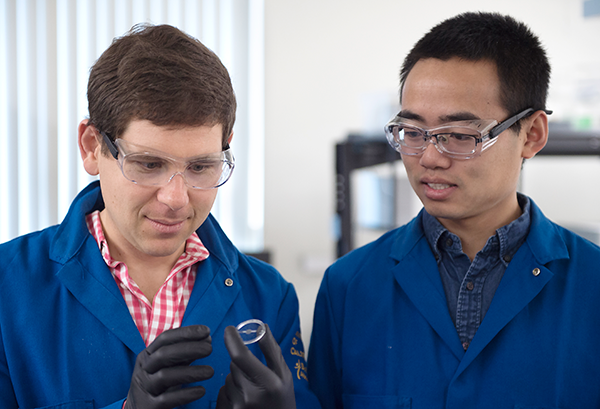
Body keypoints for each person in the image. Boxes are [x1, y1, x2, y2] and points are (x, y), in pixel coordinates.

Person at [0, 23, 319, 409]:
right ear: (91, 148)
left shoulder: (270, 298)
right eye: (149, 164)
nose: (175, 198)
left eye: (201, 167)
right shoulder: (8, 288)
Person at [308, 11, 600, 408]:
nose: (429, 157)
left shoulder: (591, 286)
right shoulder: (348, 287)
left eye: (461, 136)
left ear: (531, 135)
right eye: (412, 132)